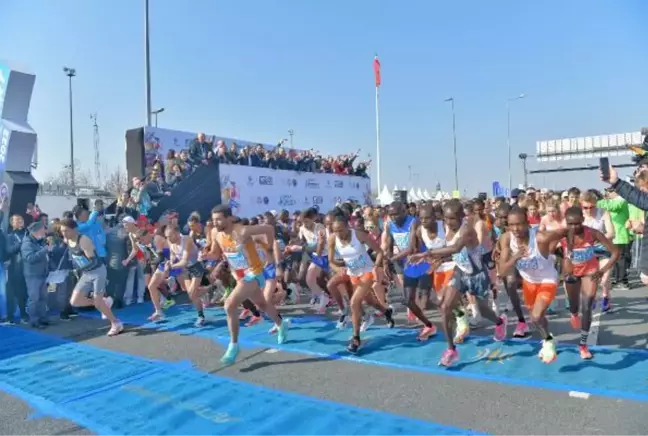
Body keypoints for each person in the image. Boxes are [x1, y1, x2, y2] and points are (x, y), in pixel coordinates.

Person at [410, 199, 506, 367]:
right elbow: (452, 255)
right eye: (446, 219)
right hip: (460, 272)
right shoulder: (446, 229)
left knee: (483, 311)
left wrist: (426, 255)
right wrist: (436, 260)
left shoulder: (467, 229)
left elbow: (455, 249)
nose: (449, 222)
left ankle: (499, 322)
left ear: (462, 216)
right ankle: (451, 350)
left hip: (477, 275)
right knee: (445, 307)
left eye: (453, 219)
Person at [205, 205, 288, 365]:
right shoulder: (216, 233)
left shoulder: (242, 231)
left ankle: (233, 346)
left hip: (254, 273)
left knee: (229, 305)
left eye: (219, 219)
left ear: (229, 218)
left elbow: (269, 229)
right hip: (239, 275)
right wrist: (207, 255)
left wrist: (269, 249)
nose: (215, 223)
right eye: (214, 219)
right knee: (262, 304)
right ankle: (281, 324)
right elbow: (216, 253)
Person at [497, 208, 561, 363]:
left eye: (519, 224)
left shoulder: (539, 237)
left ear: (527, 223)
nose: (515, 229)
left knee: (536, 316)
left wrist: (567, 252)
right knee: (537, 319)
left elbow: (564, 232)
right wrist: (516, 256)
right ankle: (548, 339)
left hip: (547, 280)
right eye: (511, 225)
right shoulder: (506, 238)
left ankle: (548, 342)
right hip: (529, 283)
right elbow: (503, 271)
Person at [328, 211, 394, 354]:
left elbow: (380, 251)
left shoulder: (359, 235)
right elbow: (331, 261)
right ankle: (386, 311)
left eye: (341, 230)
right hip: (353, 274)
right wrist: (338, 269)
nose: (338, 233)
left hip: (367, 272)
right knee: (370, 301)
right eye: (335, 231)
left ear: (348, 226)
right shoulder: (333, 239)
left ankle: (355, 338)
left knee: (354, 303)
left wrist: (376, 267)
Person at [561, 206, 618, 359]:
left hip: (590, 272)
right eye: (570, 224)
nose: (573, 227)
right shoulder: (562, 234)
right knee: (574, 305)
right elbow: (547, 248)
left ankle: (583, 345)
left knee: (587, 306)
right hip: (572, 273)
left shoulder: (592, 233)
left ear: (583, 220)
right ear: (566, 223)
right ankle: (573, 314)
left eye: (577, 223)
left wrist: (602, 270)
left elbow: (615, 252)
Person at [59, 218, 123, 336]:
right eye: (62, 231)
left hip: (97, 271)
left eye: (66, 231)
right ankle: (104, 301)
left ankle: (116, 323)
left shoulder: (83, 240)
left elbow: (93, 262)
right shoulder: (67, 240)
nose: (64, 233)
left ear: (75, 229)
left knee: (98, 304)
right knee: (75, 301)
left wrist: (78, 269)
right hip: (86, 273)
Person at [21, 222, 50, 329]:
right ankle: (34, 321)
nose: (44, 232)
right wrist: (45, 250)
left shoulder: (39, 241)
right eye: (43, 229)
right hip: (32, 275)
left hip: (41, 273)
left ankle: (43, 318)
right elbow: (29, 258)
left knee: (43, 297)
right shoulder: (27, 243)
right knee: (34, 298)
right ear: (36, 231)